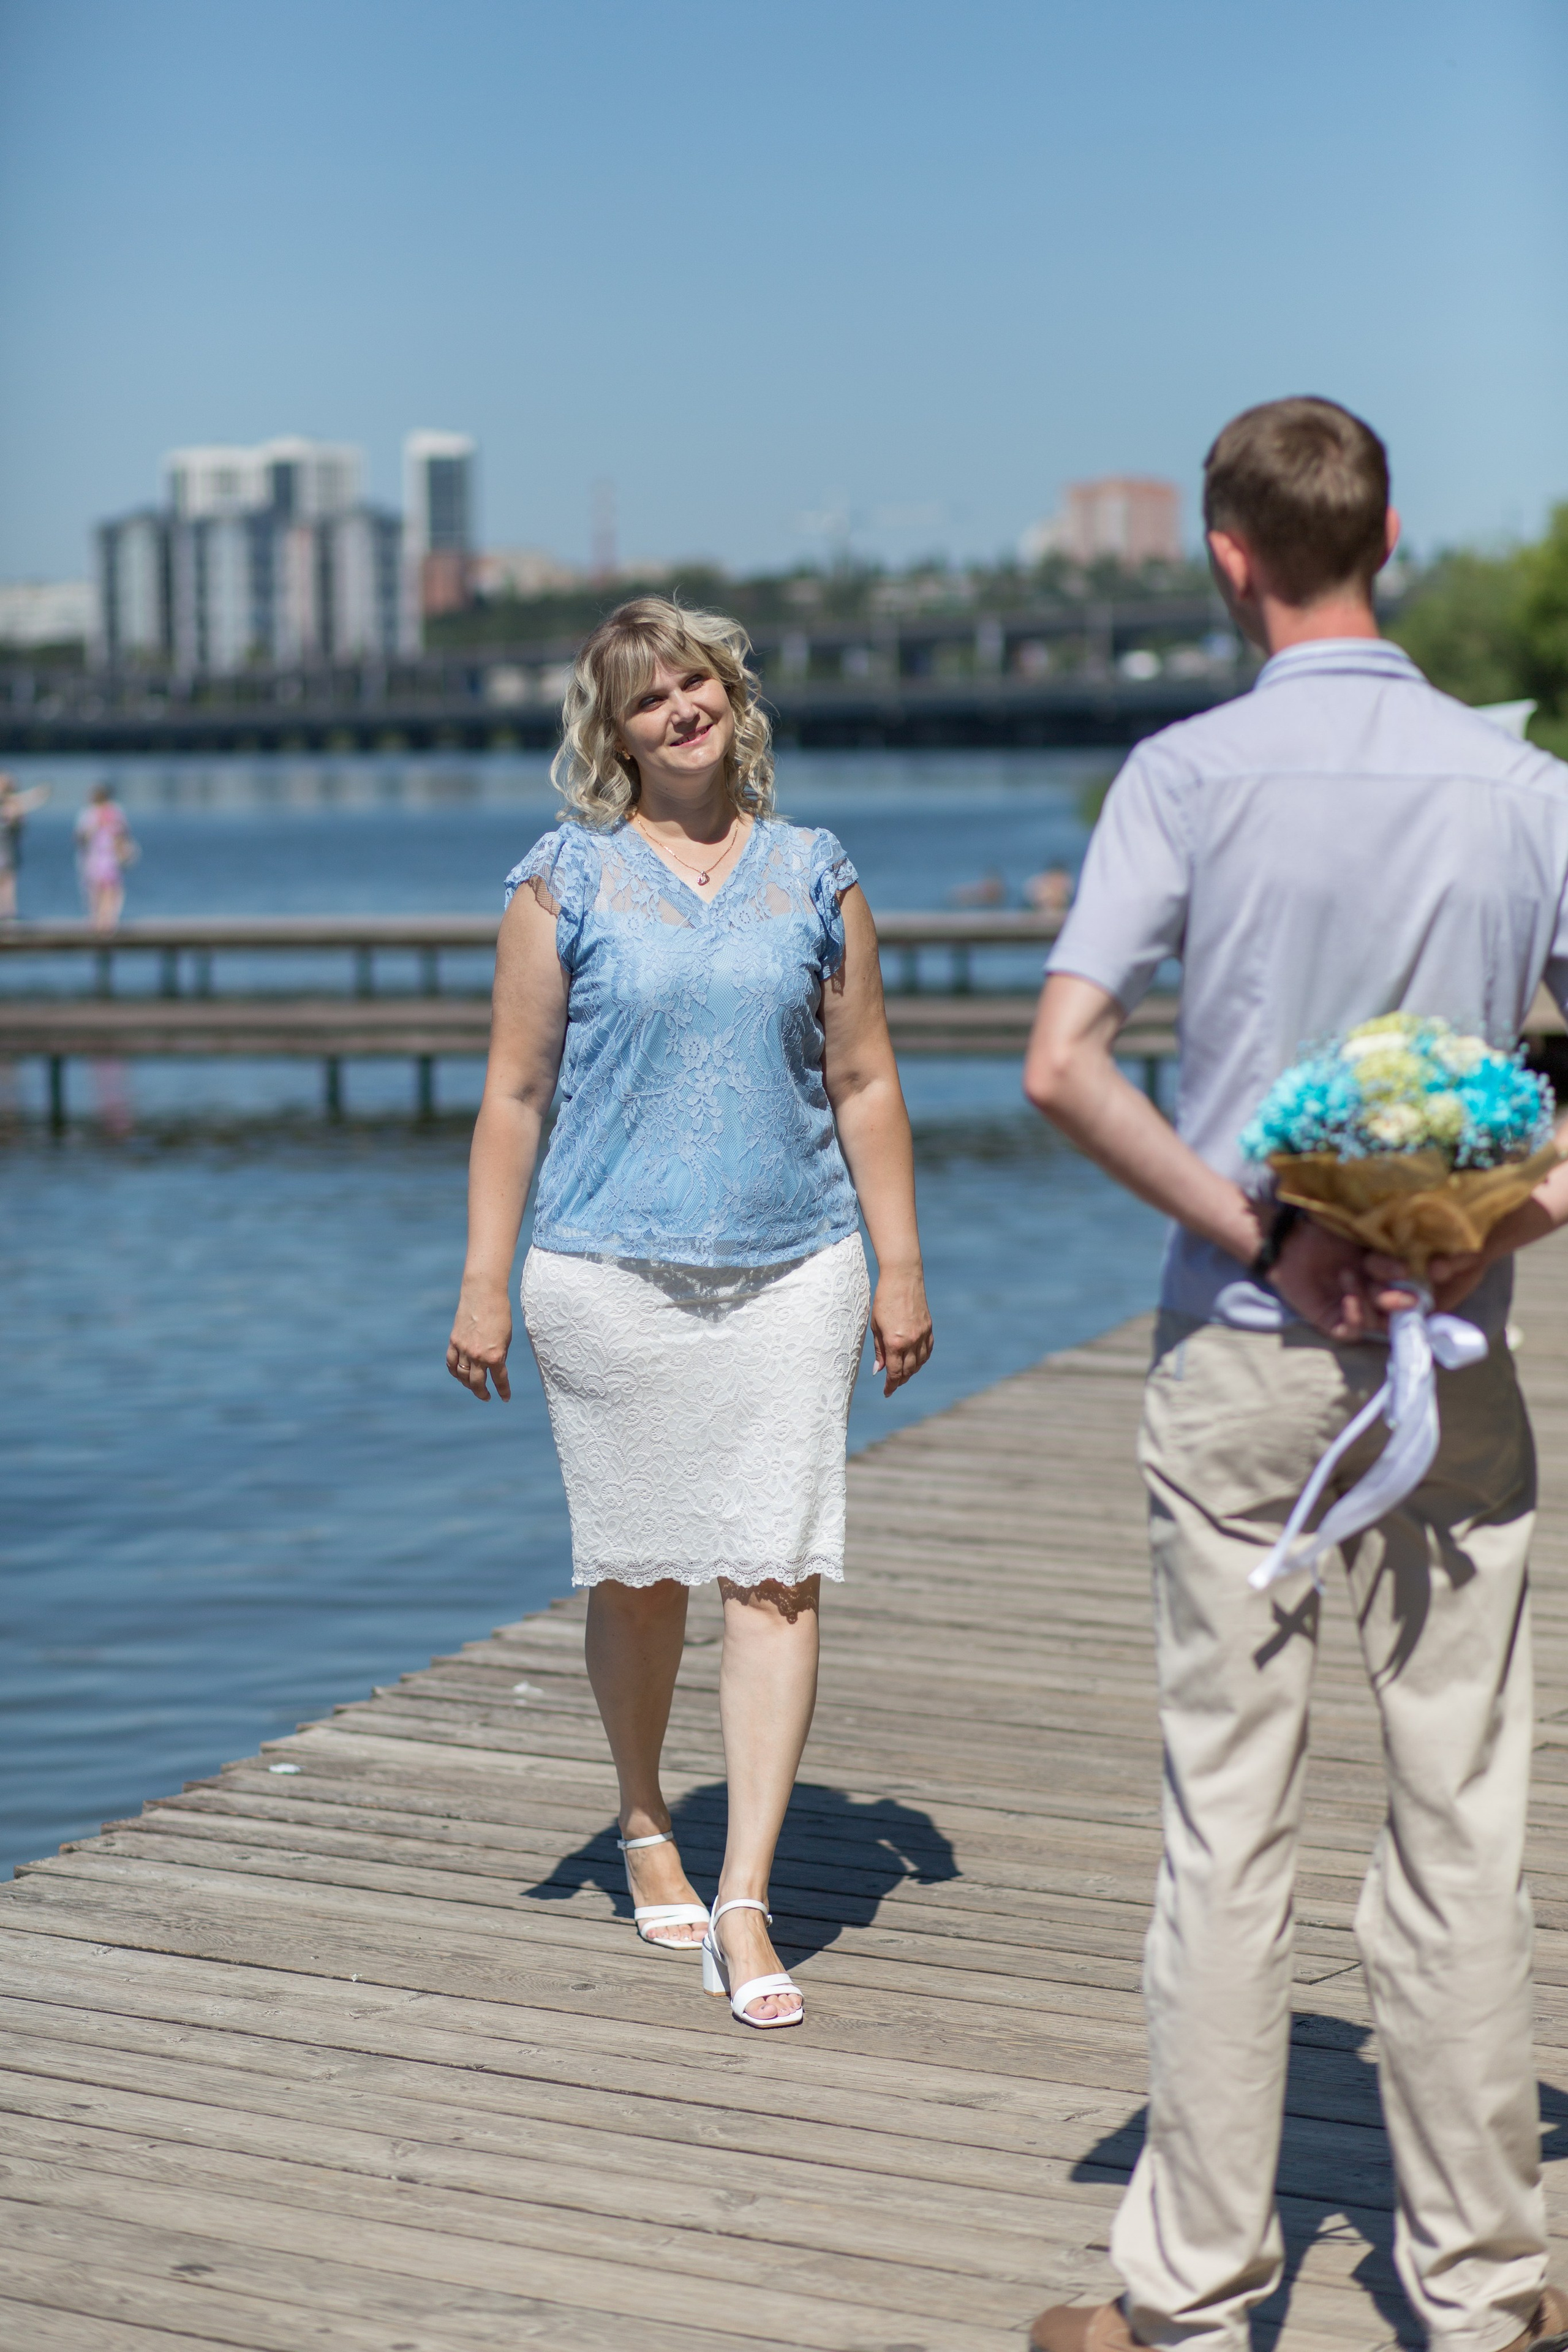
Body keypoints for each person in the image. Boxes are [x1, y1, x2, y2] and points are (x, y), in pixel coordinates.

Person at [1023, 398, 1568, 2352]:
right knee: (1460, 1816)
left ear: (1226, 554)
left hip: (1248, 1361)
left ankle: (1184, 2292)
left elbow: (1061, 1058)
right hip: (1453, 1359)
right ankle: (1487, 2281)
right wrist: (1460, 1231)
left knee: (1223, 1821)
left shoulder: (1182, 778)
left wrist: (1273, 1232)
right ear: (1390, 538)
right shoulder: (1524, 787)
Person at [447, 597, 933, 2030]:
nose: (681, 709)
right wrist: (482, 1278)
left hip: (796, 1266)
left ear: (733, 697)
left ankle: (744, 1899)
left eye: (698, 682)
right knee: (643, 1570)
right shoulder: (564, 882)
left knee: (775, 1569)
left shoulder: (813, 871)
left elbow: (865, 1083)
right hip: (605, 1271)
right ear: (612, 732)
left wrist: (898, 1264)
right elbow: (513, 1094)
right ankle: (644, 1814)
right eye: (650, 696)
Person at [74, 783, 137, 930]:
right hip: (100, 857)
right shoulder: (99, 813)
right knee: (103, 888)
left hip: (104, 857)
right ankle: (102, 920)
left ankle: (104, 920)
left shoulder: (98, 813)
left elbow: (122, 834)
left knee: (105, 888)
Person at [0, 773, 50, 921]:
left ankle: (8, 912)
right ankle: (7, 912)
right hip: (6, 849)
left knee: (8, 880)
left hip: (8, 849)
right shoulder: (12, 804)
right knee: (7, 880)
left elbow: (20, 823)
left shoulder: (13, 805)